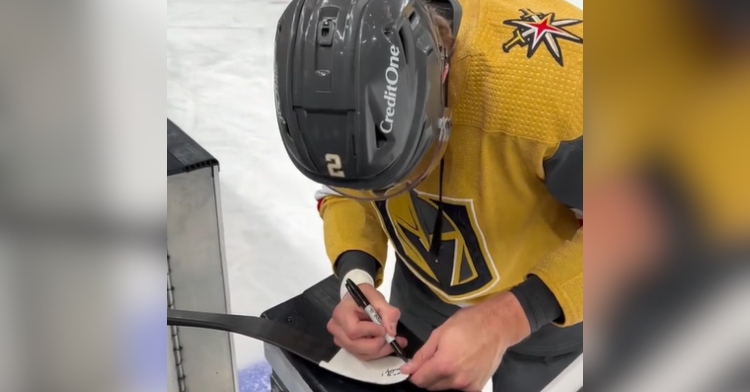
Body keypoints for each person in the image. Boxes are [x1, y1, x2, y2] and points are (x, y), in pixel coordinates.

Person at [274, 0, 583, 389]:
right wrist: (357, 277)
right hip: (422, 289)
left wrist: (510, 316)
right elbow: (345, 186)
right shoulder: (333, 81)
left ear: (442, 75)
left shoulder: (564, 92)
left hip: (553, 313)